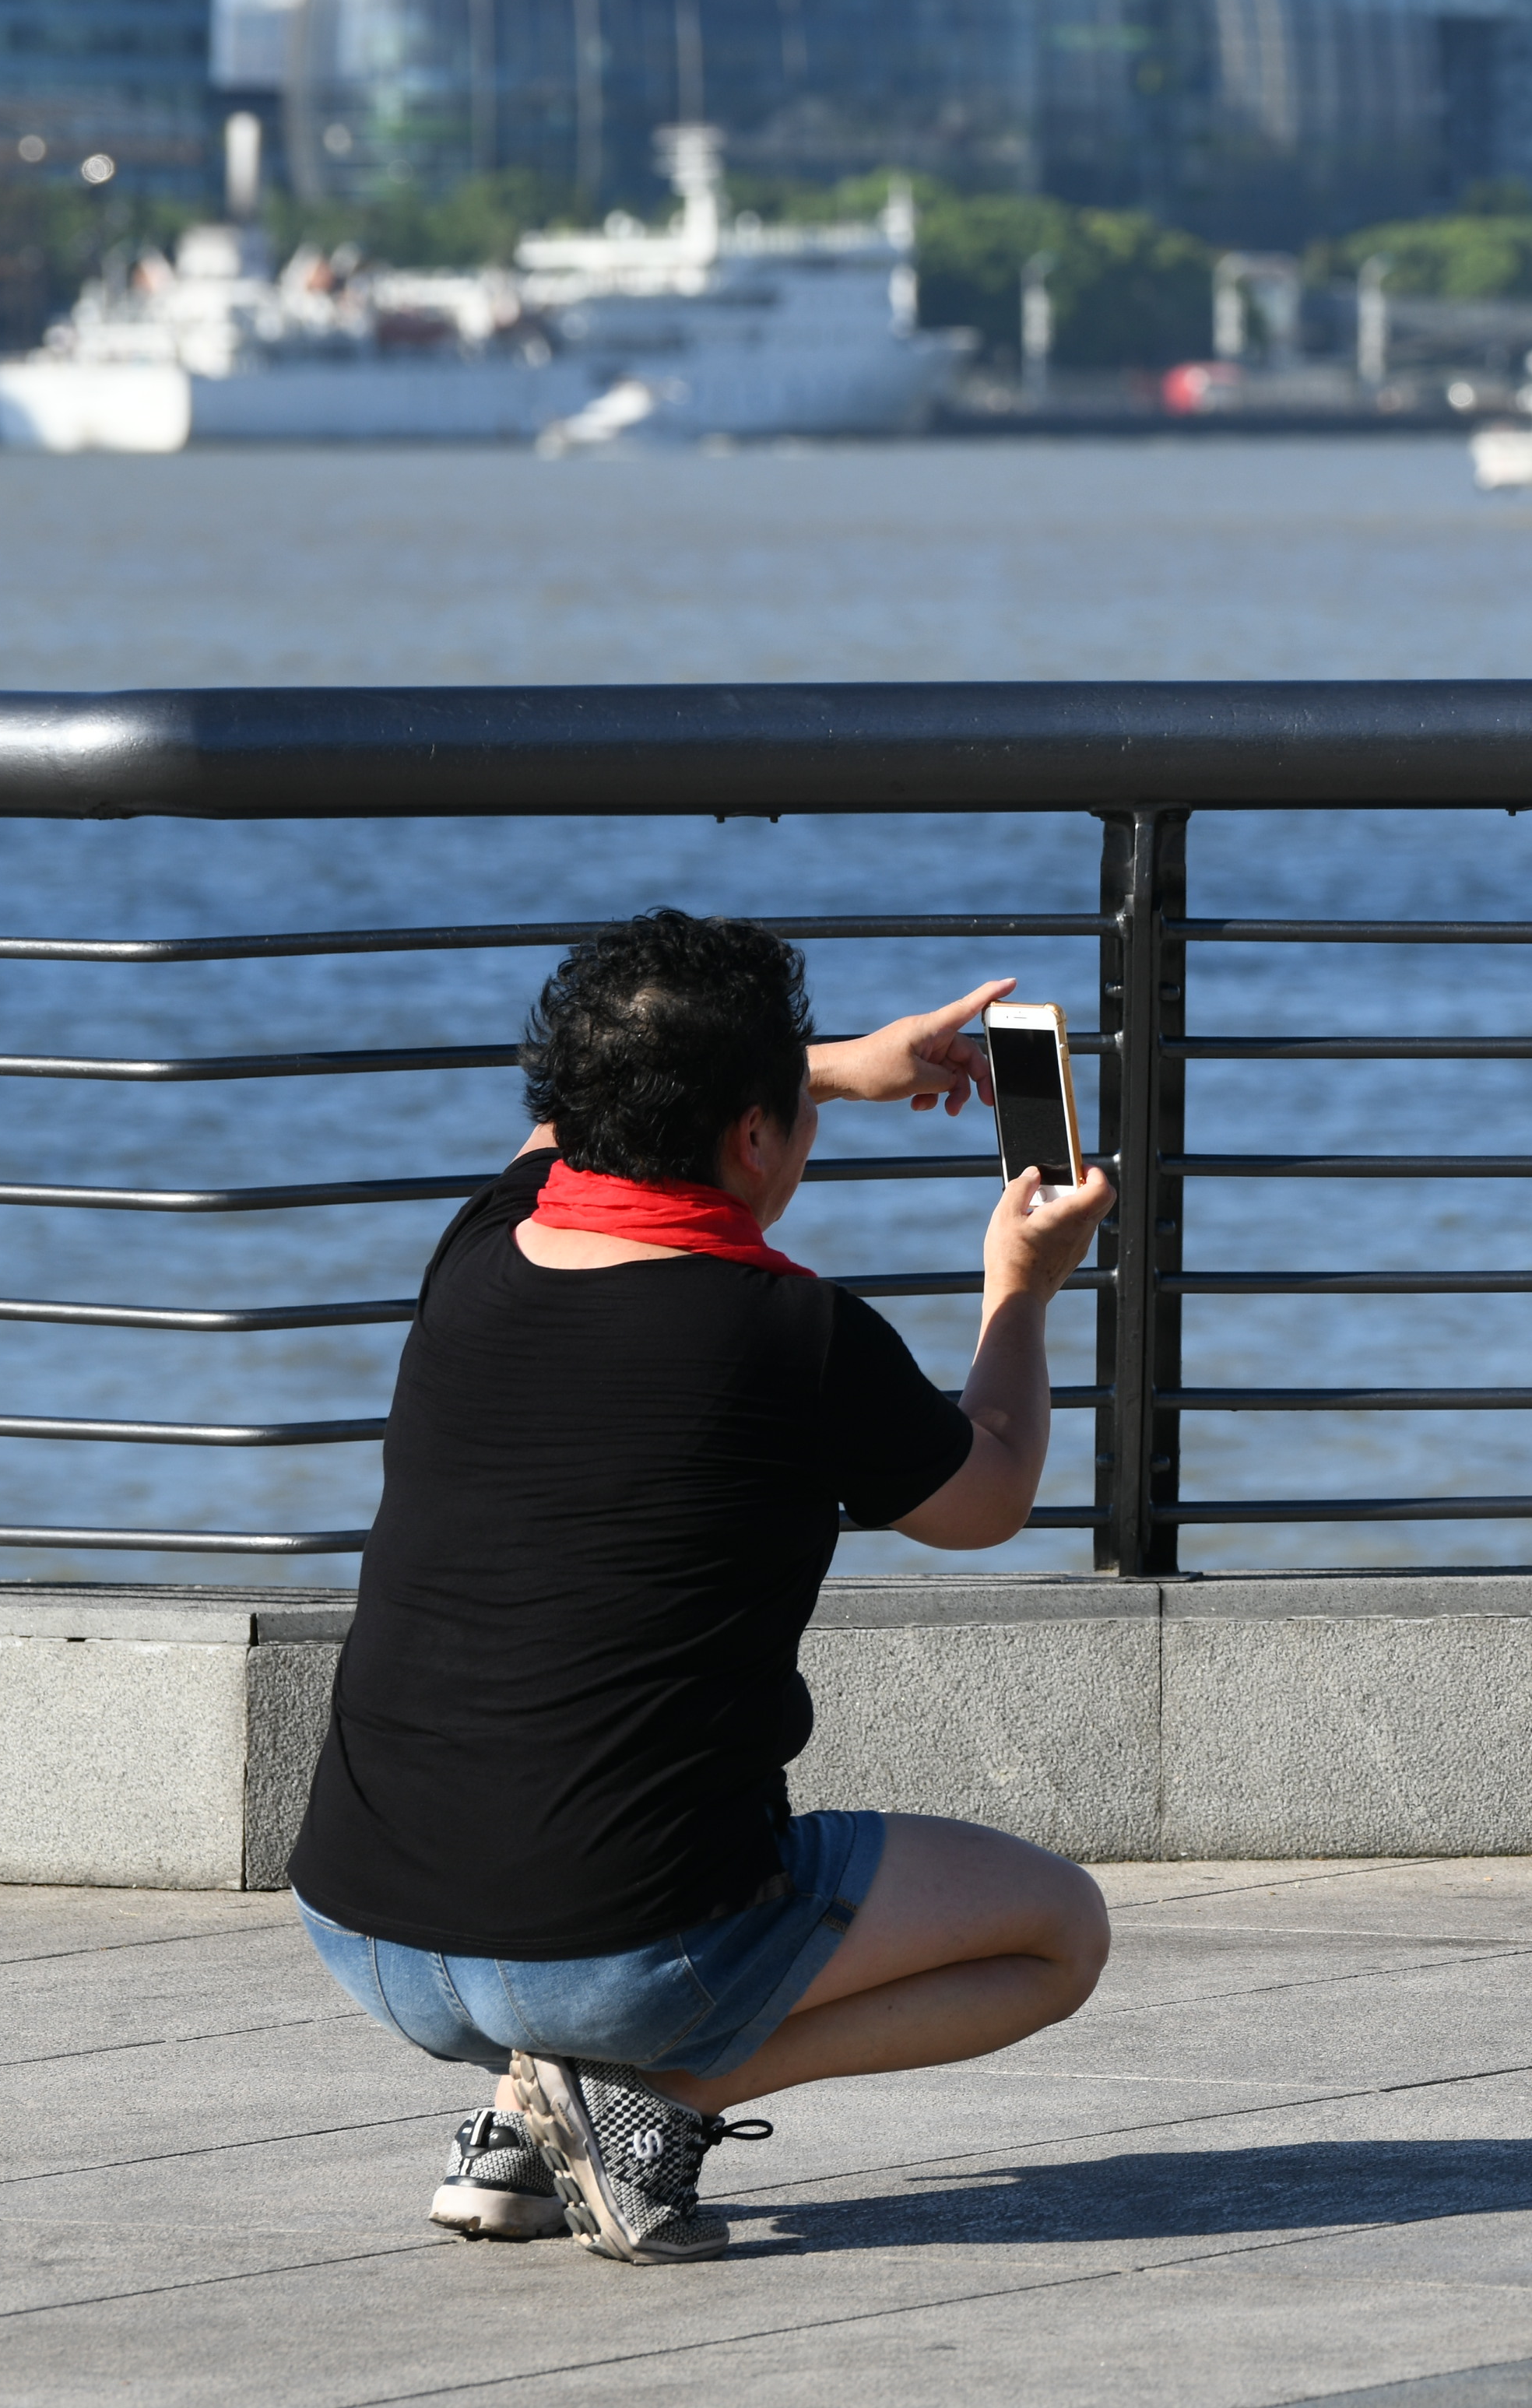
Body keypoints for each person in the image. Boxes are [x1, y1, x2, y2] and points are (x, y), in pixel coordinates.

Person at [287, 911, 1116, 2266]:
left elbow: (563, 1135)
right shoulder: (799, 1338)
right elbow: (989, 1497)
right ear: (754, 1134)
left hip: (364, 1932)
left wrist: (827, 1070)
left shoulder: (481, 1244)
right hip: (618, 1957)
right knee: (1058, 1935)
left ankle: (523, 2124)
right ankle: (655, 2099)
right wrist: (1019, 1289)